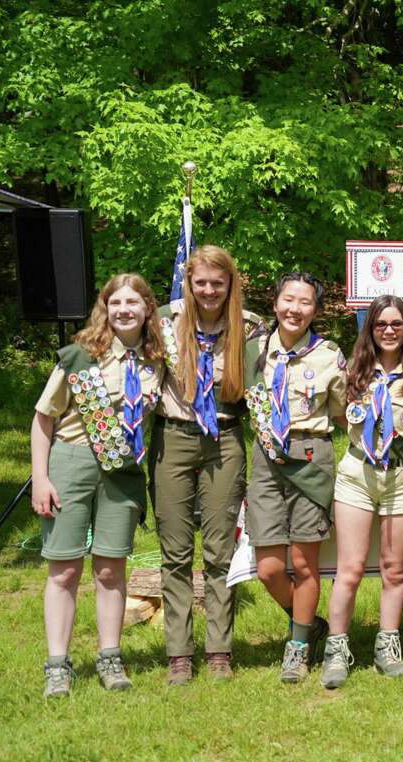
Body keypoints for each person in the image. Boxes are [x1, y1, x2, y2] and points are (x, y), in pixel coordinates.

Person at [32, 273, 166, 697]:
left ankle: (111, 657)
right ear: (104, 309)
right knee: (65, 566)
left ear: (147, 309)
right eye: (116, 303)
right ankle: (58, 664)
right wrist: (41, 477)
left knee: (110, 568)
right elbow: (43, 419)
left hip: (122, 471)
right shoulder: (79, 356)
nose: (124, 310)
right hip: (71, 462)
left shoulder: (156, 360)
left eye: (133, 302)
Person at [151, 245, 267, 685]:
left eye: (218, 282)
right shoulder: (164, 320)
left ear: (230, 283)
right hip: (174, 437)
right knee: (175, 551)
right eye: (201, 282)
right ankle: (178, 654)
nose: (209, 290)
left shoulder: (250, 326)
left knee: (221, 550)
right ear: (189, 281)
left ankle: (219, 650)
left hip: (225, 437)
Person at [321, 295, 403, 687]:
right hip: (357, 475)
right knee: (349, 570)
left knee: (393, 568)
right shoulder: (351, 373)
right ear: (370, 329)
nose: (389, 330)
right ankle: (336, 650)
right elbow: (332, 413)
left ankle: (388, 646)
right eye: (381, 324)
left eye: (396, 324)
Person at [243, 272, 346, 684]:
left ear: (316, 311)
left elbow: (342, 412)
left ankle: (299, 645)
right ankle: (310, 623)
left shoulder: (329, 355)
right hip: (266, 458)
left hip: (311, 455)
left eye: (305, 302)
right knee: (268, 567)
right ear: (275, 303)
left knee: (304, 563)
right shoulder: (252, 352)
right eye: (288, 300)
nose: (295, 309)